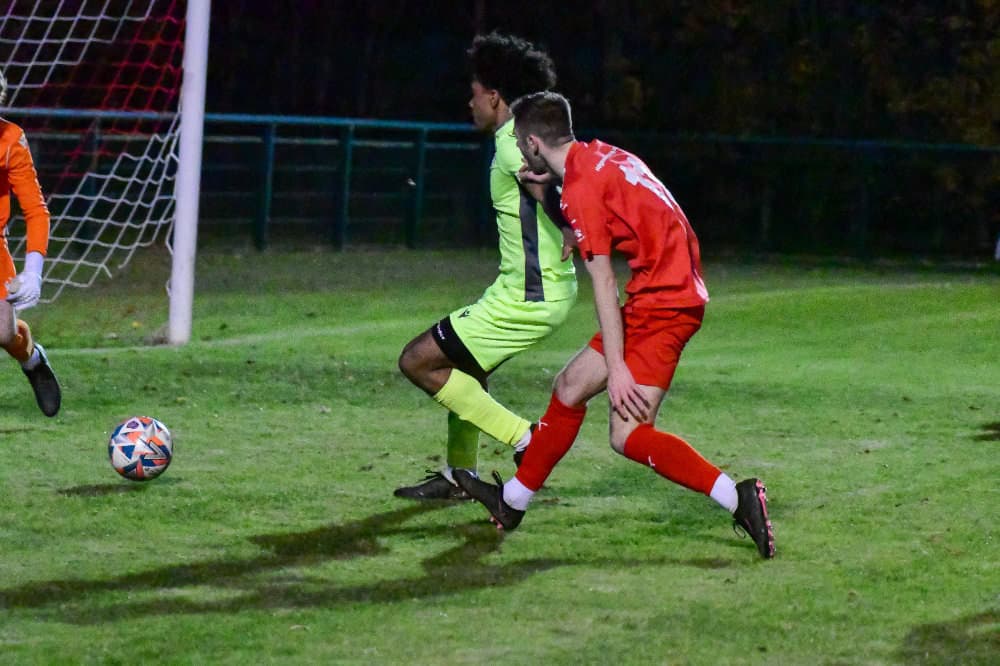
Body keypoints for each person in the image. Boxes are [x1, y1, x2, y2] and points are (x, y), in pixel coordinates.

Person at [454, 91, 775, 559]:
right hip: (667, 291)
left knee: (628, 436)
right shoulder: (602, 155)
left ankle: (737, 496)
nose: (520, 156)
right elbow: (610, 200)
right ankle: (513, 502)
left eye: (522, 146)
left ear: (534, 144)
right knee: (569, 387)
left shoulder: (581, 189)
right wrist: (554, 185)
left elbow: (604, 282)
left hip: (665, 304)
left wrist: (619, 367)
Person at [394, 34, 577, 500]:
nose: (470, 102)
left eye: (474, 92)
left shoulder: (514, 144)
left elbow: (550, 189)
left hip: (529, 297)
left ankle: (528, 440)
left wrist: (571, 225)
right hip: (531, 291)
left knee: (418, 361)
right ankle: (460, 475)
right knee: (464, 371)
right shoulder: (518, 138)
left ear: (494, 97)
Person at [0, 68, 61, 417]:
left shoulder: (11, 140)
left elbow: (36, 211)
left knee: (4, 333)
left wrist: (33, 271)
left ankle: (33, 361)